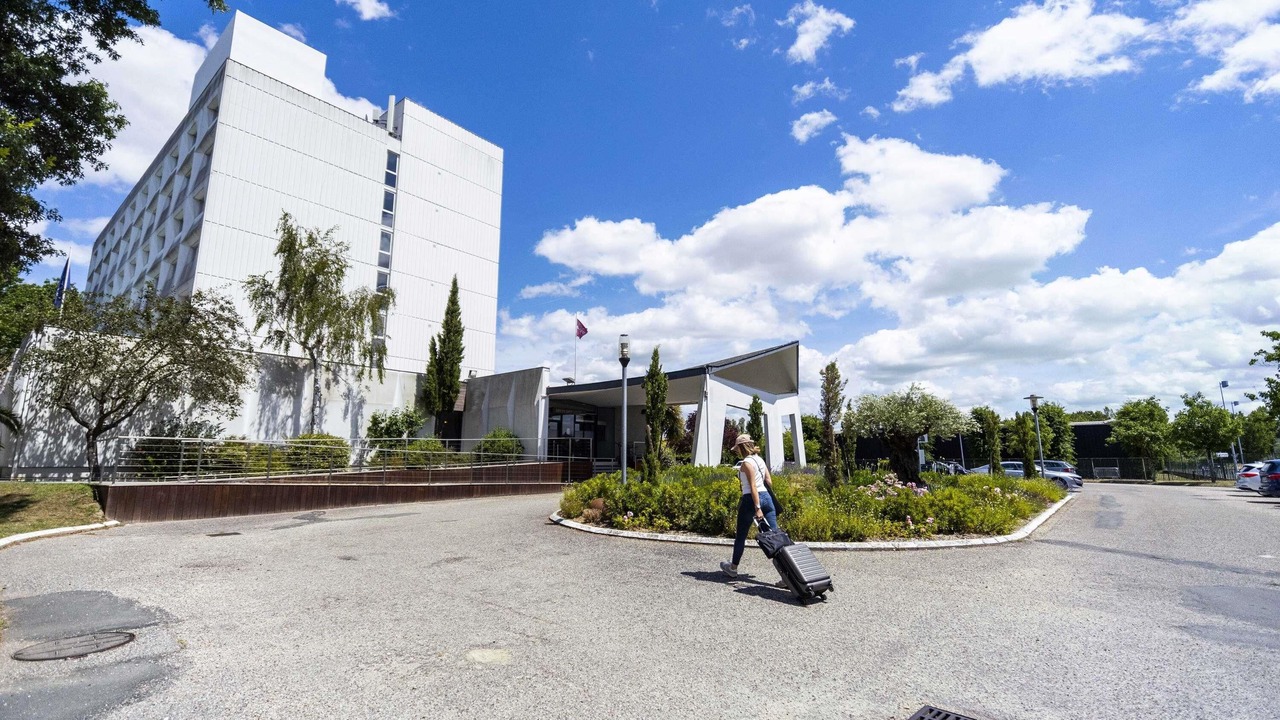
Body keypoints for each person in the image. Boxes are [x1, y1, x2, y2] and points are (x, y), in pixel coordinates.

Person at [720, 433, 778, 578]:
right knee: (775, 538)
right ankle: (787, 575)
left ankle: (733, 568)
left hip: (750, 500)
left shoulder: (746, 463)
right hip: (767, 497)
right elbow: (769, 481)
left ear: (741, 447)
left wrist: (757, 508)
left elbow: (752, 486)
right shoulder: (760, 460)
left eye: (737, 449)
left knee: (741, 535)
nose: (737, 452)